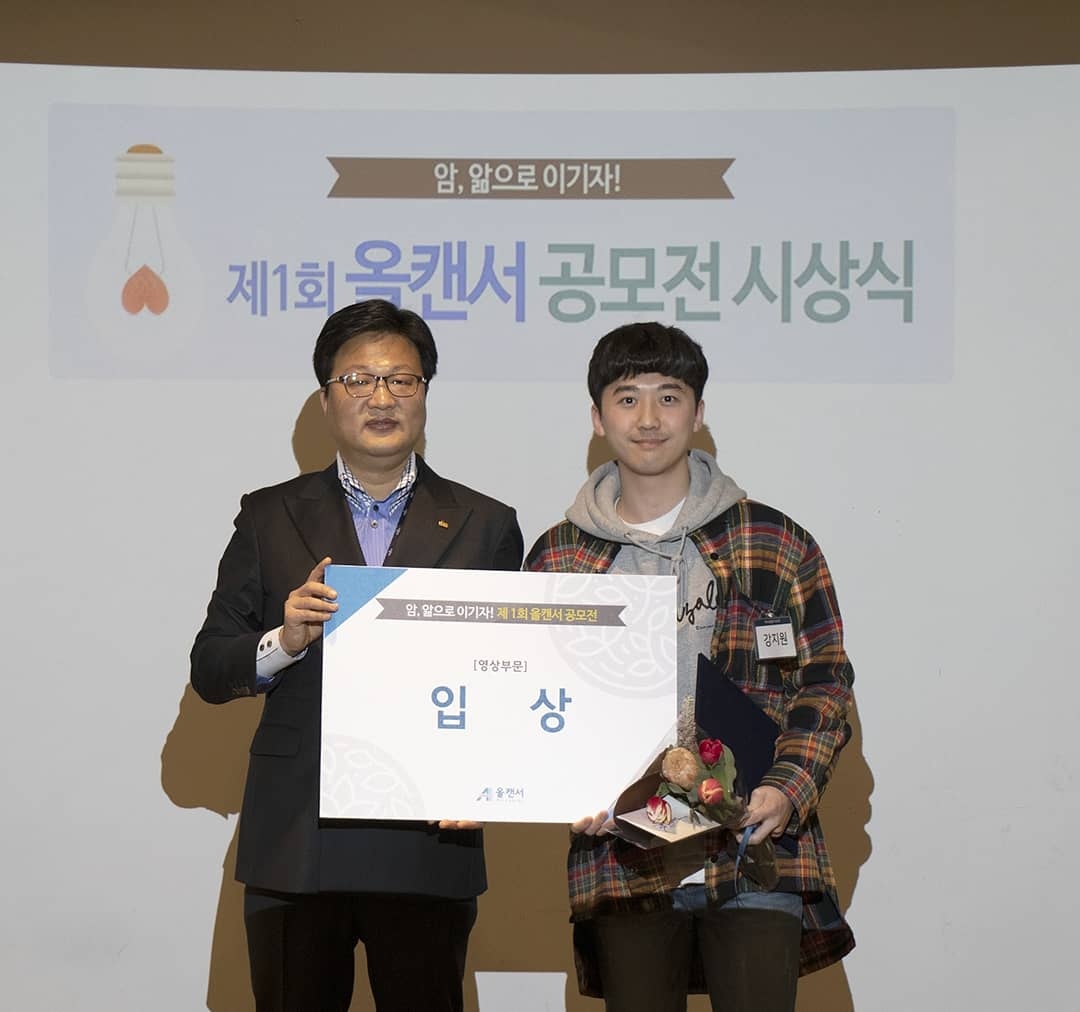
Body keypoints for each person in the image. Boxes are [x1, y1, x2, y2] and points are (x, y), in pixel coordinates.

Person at [190, 299, 524, 1012]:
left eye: (401, 380)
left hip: (427, 839)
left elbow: (507, 681)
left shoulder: (486, 524)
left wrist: (487, 778)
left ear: (425, 394)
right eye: (359, 380)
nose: (381, 397)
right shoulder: (268, 515)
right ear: (325, 399)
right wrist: (284, 641)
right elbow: (211, 667)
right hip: (296, 838)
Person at [526, 322, 854, 1012]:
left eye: (669, 397)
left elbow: (824, 683)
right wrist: (567, 786)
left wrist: (787, 788)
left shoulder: (774, 539)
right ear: (597, 418)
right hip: (624, 857)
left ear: (699, 413)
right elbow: (534, 699)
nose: (648, 418)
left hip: (753, 846)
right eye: (627, 398)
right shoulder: (557, 558)